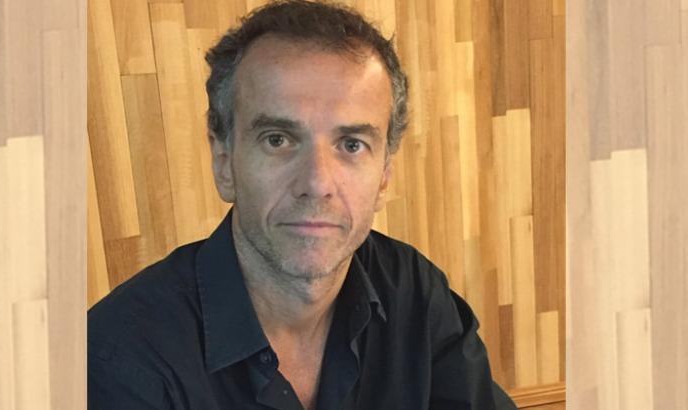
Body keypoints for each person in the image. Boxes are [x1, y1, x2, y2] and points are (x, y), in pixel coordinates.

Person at [88, 1, 517, 409]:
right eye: (278, 140)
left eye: (352, 144)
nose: (317, 183)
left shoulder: (415, 294)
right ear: (224, 163)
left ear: (384, 175)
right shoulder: (118, 357)